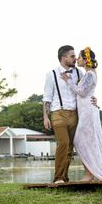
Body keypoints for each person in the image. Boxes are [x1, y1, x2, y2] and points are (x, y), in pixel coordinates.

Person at [61, 47, 102, 181]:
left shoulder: (90, 74)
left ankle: (90, 173)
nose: (77, 60)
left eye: (79, 57)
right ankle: (90, 172)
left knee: (81, 140)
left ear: (85, 60)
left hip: (88, 113)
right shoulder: (88, 74)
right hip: (85, 111)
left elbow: (82, 92)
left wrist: (68, 80)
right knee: (84, 141)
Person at [43, 45, 81, 184]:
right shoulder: (51, 74)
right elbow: (47, 97)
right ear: (63, 57)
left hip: (74, 114)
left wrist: (93, 99)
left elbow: (83, 91)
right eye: (72, 56)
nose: (75, 58)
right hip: (58, 113)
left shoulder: (79, 73)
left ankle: (65, 177)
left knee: (70, 147)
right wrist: (46, 117)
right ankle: (58, 177)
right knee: (63, 143)